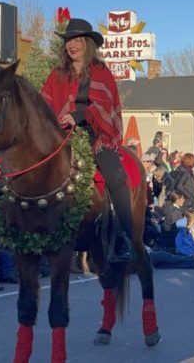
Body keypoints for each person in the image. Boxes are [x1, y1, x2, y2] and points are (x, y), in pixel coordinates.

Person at [41, 17, 133, 262]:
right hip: (62, 135)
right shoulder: (57, 74)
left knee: (115, 175)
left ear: (87, 44)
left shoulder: (102, 73)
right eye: (69, 41)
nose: (72, 45)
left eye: (77, 41)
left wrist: (79, 115)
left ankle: (126, 236)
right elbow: (45, 104)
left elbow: (106, 106)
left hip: (97, 135)